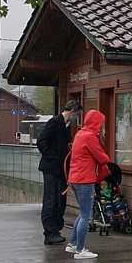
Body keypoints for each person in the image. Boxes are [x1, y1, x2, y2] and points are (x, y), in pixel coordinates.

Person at [36, 99, 81, 245]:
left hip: (61, 168)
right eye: (77, 114)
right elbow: (42, 141)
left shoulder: (66, 125)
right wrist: (54, 158)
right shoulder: (55, 122)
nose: (77, 117)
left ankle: (55, 230)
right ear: (72, 111)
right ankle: (50, 232)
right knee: (51, 199)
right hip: (52, 168)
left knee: (59, 200)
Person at [65, 109, 108, 260]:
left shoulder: (80, 134)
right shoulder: (90, 136)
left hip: (74, 178)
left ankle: (73, 244)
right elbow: (102, 157)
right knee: (85, 214)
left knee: (82, 212)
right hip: (85, 179)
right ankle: (80, 250)